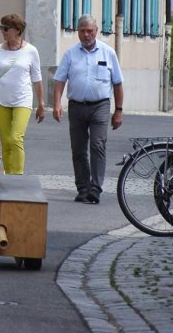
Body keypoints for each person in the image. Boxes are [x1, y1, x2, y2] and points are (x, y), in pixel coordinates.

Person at [52, 15, 124, 204]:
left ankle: (95, 188)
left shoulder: (108, 53)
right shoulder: (70, 54)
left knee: (97, 145)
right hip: (76, 106)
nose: (86, 34)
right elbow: (60, 80)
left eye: (89, 31)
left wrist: (119, 110)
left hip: (100, 105)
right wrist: (57, 104)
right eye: (82, 31)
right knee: (78, 149)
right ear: (78, 32)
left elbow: (117, 83)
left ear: (96, 31)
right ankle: (83, 188)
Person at [0, 14, 44, 175]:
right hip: (1, 99)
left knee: (16, 138)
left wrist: (41, 104)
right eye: (1, 28)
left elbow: (37, 78)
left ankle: (17, 176)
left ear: (17, 30)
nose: (2, 31)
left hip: (22, 99)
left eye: (5, 28)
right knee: (6, 140)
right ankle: (8, 176)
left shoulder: (31, 51)